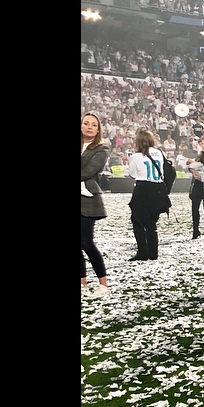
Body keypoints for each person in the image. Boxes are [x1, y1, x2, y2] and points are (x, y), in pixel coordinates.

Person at [81, 112, 110, 297]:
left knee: (86, 242)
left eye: (94, 125)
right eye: (86, 123)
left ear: (98, 129)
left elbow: (88, 171)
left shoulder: (102, 148)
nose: (89, 127)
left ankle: (103, 285)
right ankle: (82, 284)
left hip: (88, 199)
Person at [127, 129, 166, 261]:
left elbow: (133, 174)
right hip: (157, 188)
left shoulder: (136, 156)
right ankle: (153, 253)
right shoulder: (159, 153)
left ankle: (143, 252)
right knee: (151, 223)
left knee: (137, 221)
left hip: (143, 189)